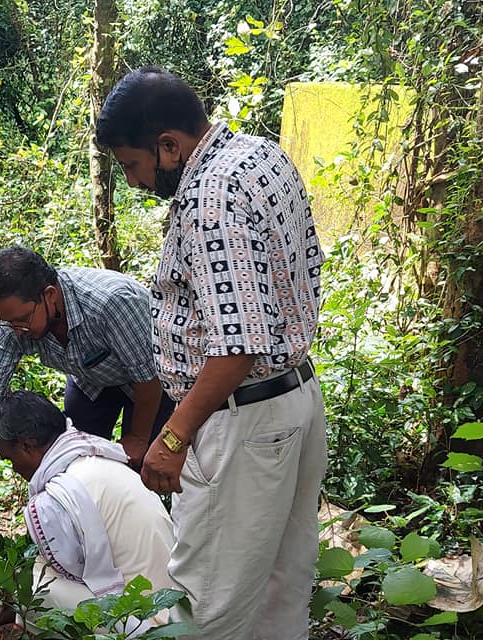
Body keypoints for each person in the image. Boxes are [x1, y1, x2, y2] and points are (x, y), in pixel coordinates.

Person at [95, 66, 327, 638]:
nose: (135, 181)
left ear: (169, 146)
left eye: (133, 164)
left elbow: (238, 344)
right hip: (294, 399)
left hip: (244, 421)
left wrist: (173, 437)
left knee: (204, 606)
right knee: (280, 590)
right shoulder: (260, 156)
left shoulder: (209, 199)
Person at [0, 246, 171, 510]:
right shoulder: (14, 326)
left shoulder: (112, 302)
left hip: (153, 381)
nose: (17, 330)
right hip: (90, 380)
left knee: (146, 465)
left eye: (23, 319)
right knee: (70, 459)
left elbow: (148, 378)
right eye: (9, 322)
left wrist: (138, 439)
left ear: (49, 295)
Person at [0, 391, 175, 635]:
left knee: (34, 586)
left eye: (10, 459)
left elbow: (74, 573)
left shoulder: (58, 494)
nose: (15, 468)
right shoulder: (96, 456)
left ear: (26, 445)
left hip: (141, 623)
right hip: (174, 609)